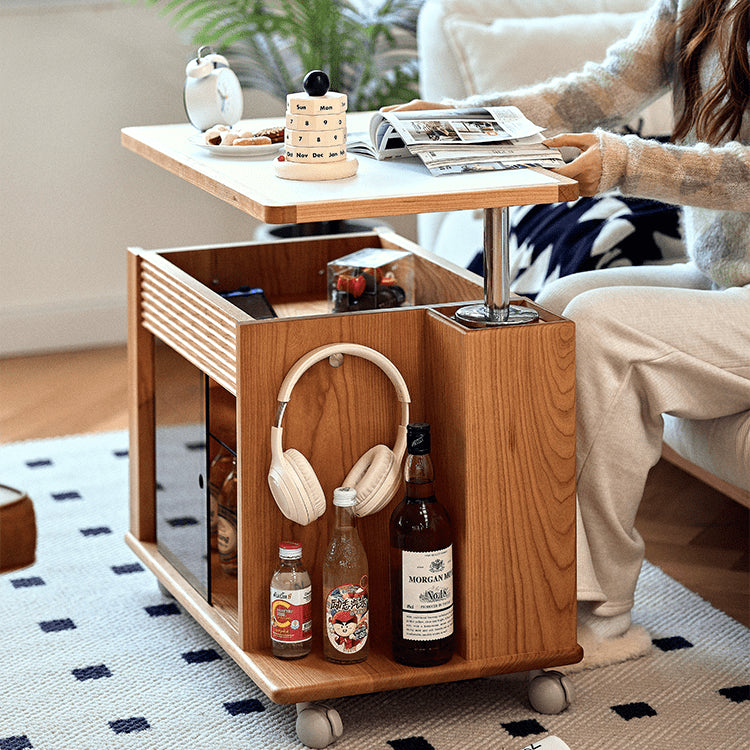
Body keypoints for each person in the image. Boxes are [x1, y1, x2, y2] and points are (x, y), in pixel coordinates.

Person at [385, 0, 750, 650]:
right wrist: (464, 120)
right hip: (733, 282)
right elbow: (602, 90)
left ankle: (595, 619)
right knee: (555, 315)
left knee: (605, 328)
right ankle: (527, 570)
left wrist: (625, 164)